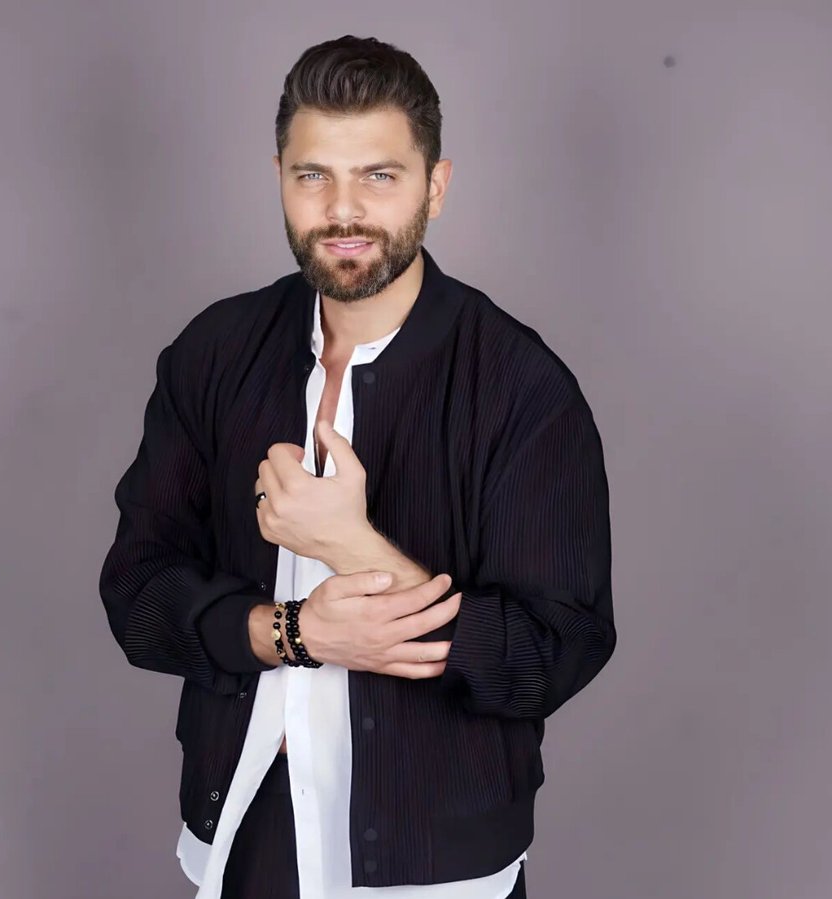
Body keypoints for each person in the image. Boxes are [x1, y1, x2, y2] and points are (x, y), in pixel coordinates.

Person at [100, 34, 615, 899]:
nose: (343, 210)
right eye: (314, 175)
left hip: (434, 867)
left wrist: (352, 546)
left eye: (379, 175)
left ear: (434, 186)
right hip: (244, 826)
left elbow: (552, 655)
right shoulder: (213, 352)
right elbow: (137, 594)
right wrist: (291, 632)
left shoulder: (523, 390)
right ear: (279, 178)